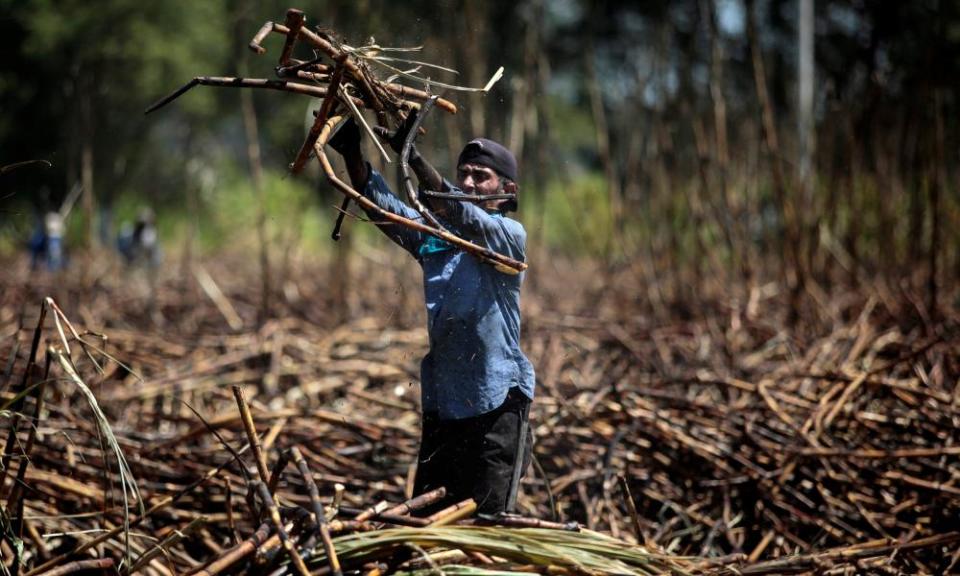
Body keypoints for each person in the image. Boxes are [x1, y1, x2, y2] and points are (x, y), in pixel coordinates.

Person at [329, 114, 536, 516]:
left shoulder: (508, 237)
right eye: (464, 175)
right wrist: (353, 152)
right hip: (445, 404)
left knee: (485, 530)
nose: (470, 184)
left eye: (482, 177)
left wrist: (414, 158)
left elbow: (459, 212)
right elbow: (384, 211)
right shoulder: (437, 238)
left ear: (507, 190)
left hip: (497, 408)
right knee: (430, 523)